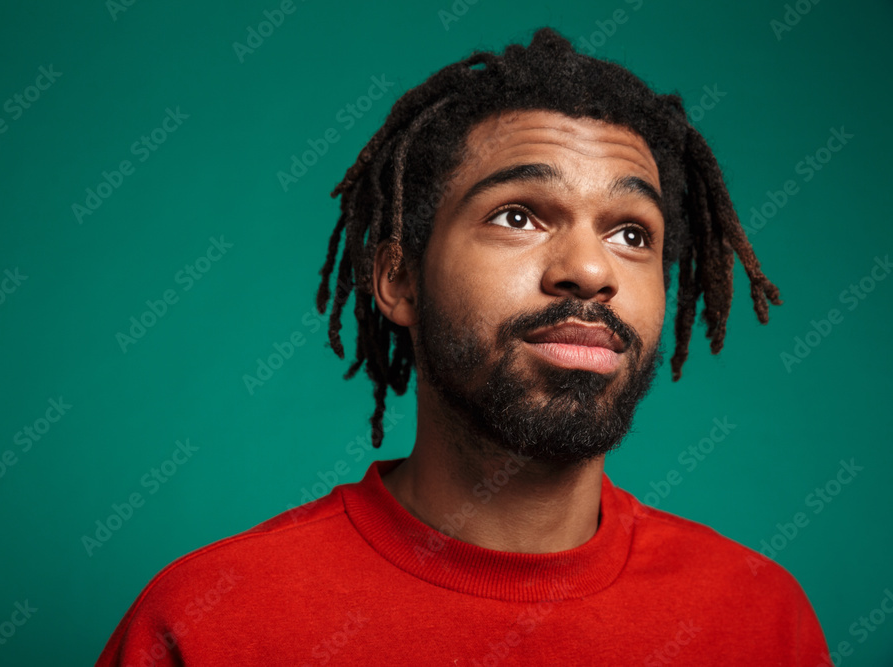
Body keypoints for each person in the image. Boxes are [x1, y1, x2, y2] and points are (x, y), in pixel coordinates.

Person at [97, 27, 832, 666]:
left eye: (631, 233)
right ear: (398, 279)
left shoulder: (760, 618)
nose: (590, 270)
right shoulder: (208, 621)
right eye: (518, 216)